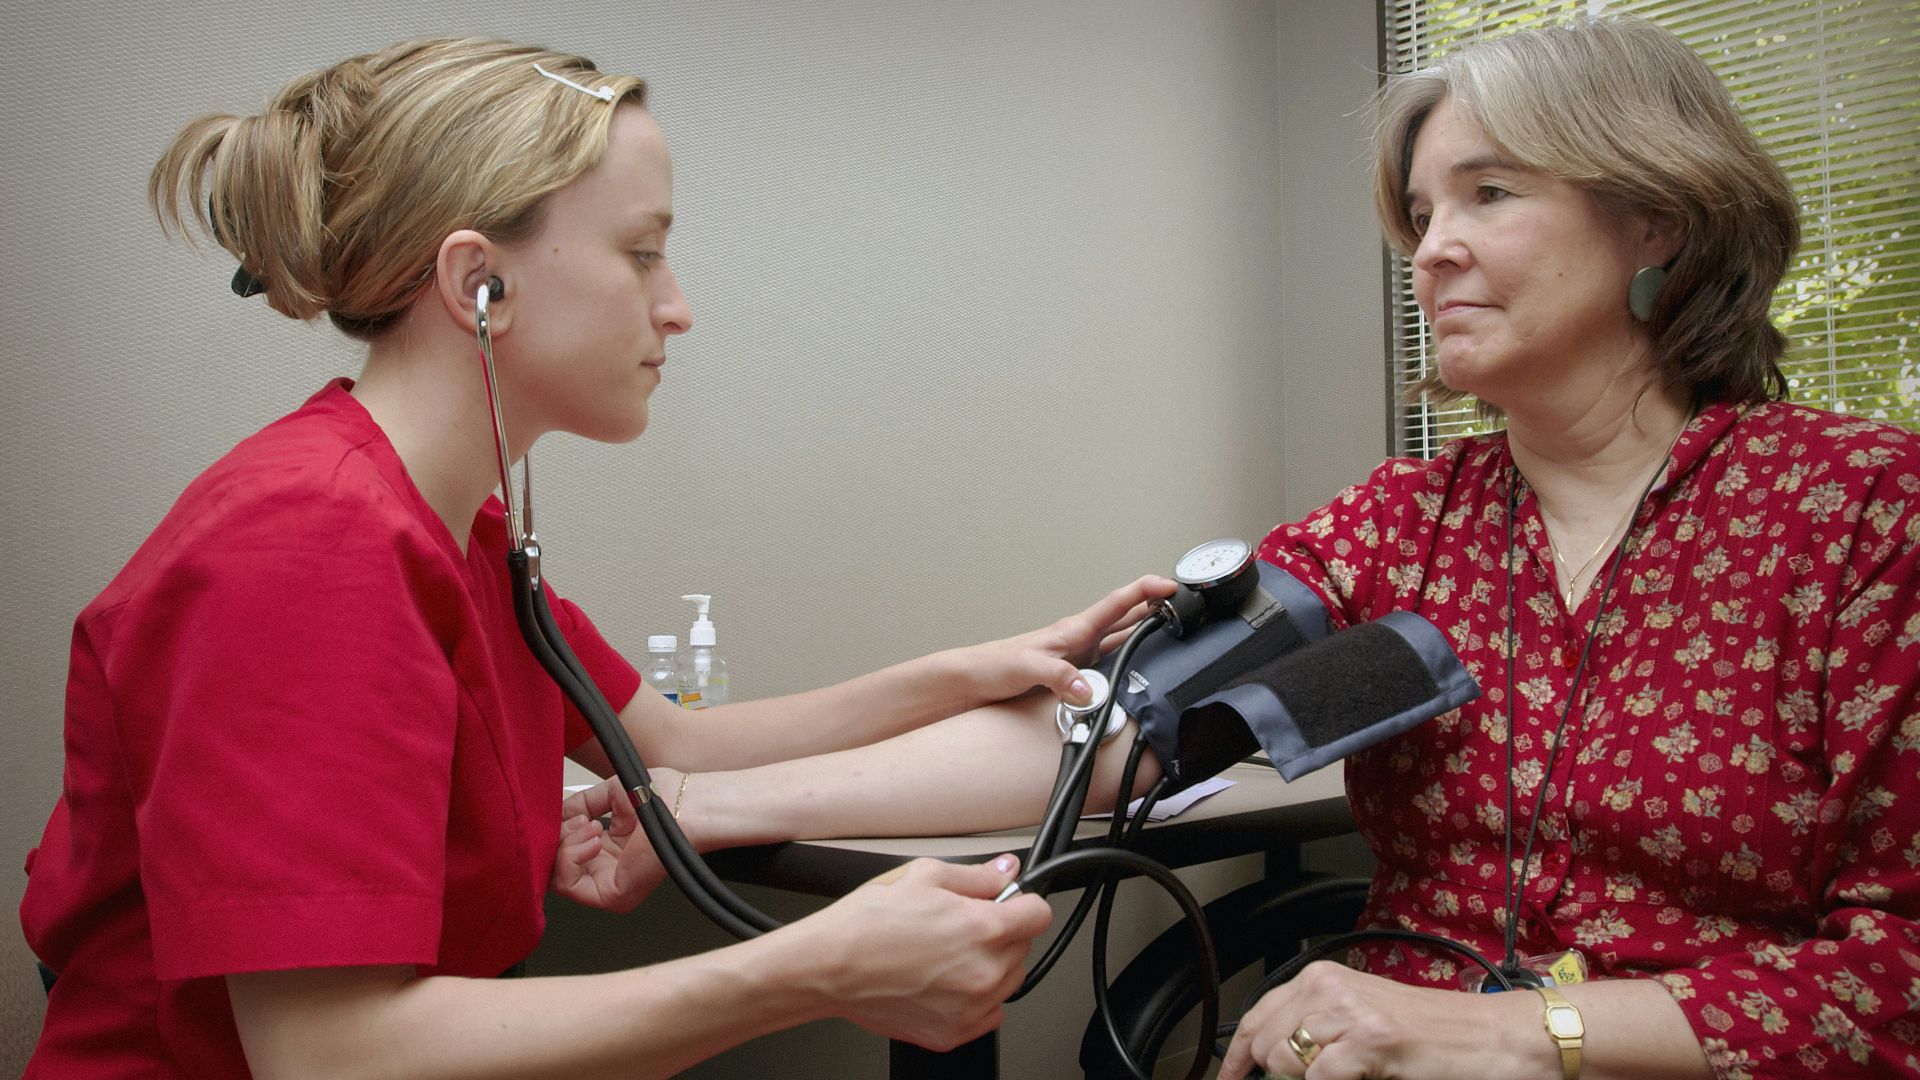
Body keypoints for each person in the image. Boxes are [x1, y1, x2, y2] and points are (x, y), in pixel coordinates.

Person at [19, 38, 1172, 1078]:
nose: (678, 310)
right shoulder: (305, 544)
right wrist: (812, 970)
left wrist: (969, 669)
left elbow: (676, 741)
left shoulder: (440, 523)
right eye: (642, 254)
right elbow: (328, 1055)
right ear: (482, 286)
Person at [1218, 17, 1919, 1080]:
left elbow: (1901, 976)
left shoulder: (1864, 509)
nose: (1432, 248)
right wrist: (872, 735)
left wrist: (1516, 1033)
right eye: (1419, 214)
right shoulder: (1408, 524)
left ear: (1657, 222)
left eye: (1488, 194)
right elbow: (1123, 731)